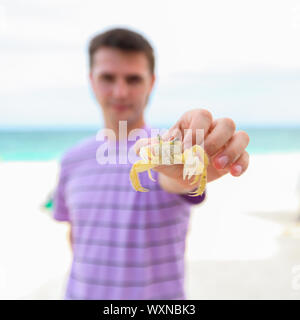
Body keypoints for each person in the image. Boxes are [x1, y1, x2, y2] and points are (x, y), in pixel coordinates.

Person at [52, 28, 250, 300]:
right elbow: (76, 236)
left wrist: (189, 172)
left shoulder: (165, 145)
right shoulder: (72, 159)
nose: (120, 92)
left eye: (133, 79)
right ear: (91, 80)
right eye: (108, 78)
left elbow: (176, 180)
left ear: (151, 82)